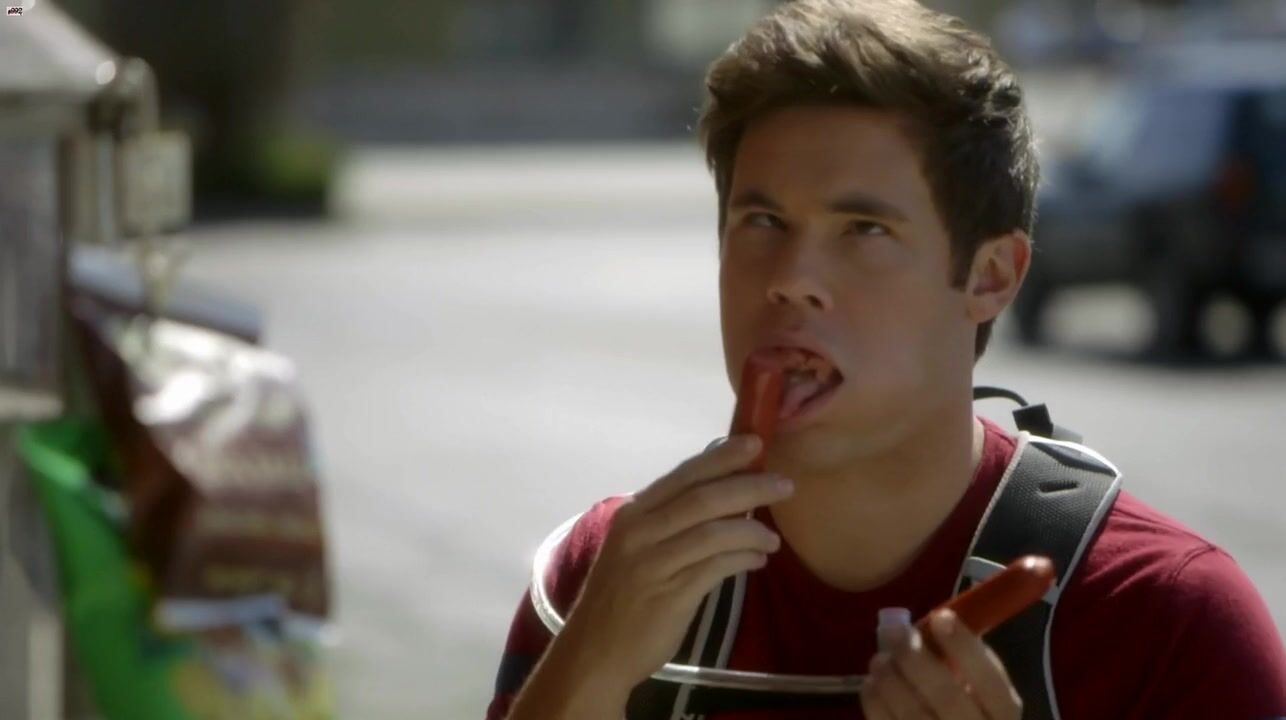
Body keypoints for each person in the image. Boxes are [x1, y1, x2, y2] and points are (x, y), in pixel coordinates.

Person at [484, 1, 1286, 718]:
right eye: (761, 221)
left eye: (863, 230)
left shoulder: (1166, 620)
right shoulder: (605, 575)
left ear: (991, 276)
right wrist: (586, 675)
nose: (791, 279)